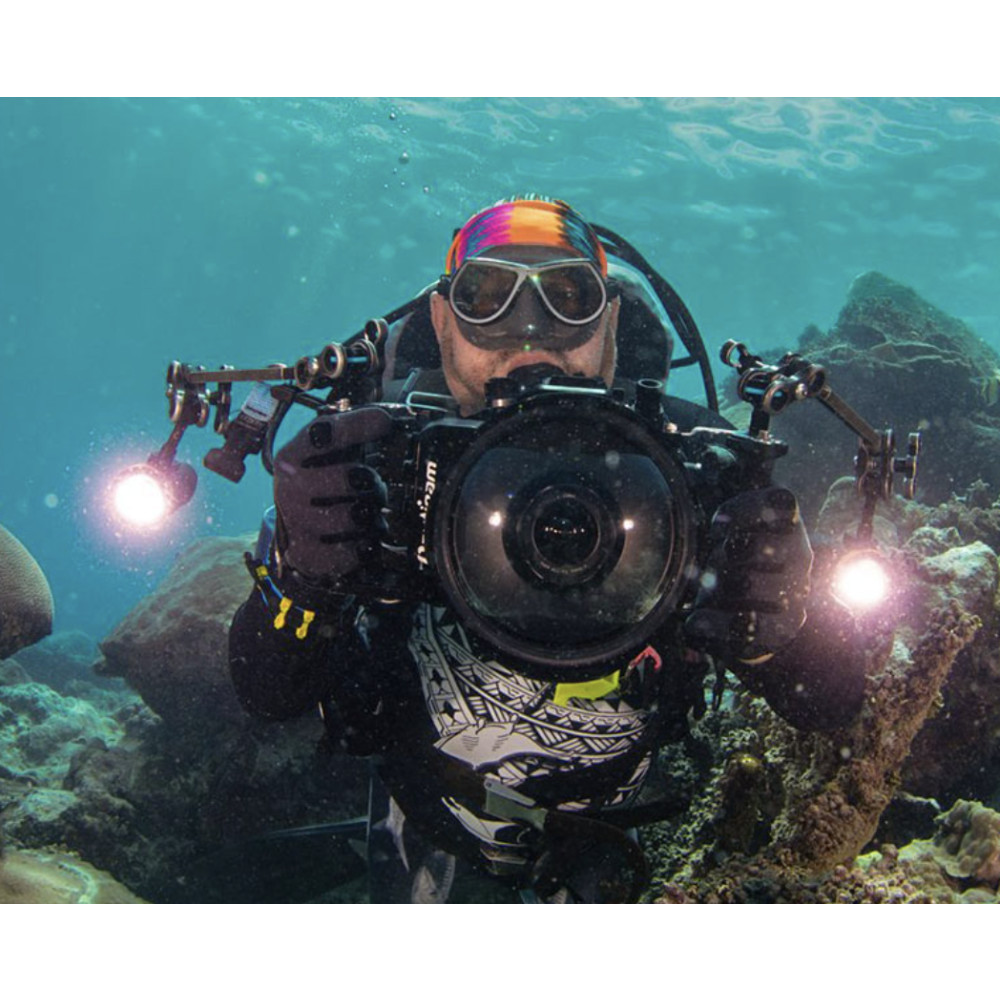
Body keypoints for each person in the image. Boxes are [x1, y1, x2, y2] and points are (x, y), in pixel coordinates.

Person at [229, 197, 865, 903]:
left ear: (610, 325)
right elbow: (268, 692)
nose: (529, 333)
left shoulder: (692, 467)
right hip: (422, 811)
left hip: (609, 832)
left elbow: (835, 699)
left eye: (569, 297)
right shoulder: (374, 464)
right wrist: (305, 585)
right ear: (441, 322)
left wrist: (778, 631)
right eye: (485, 298)